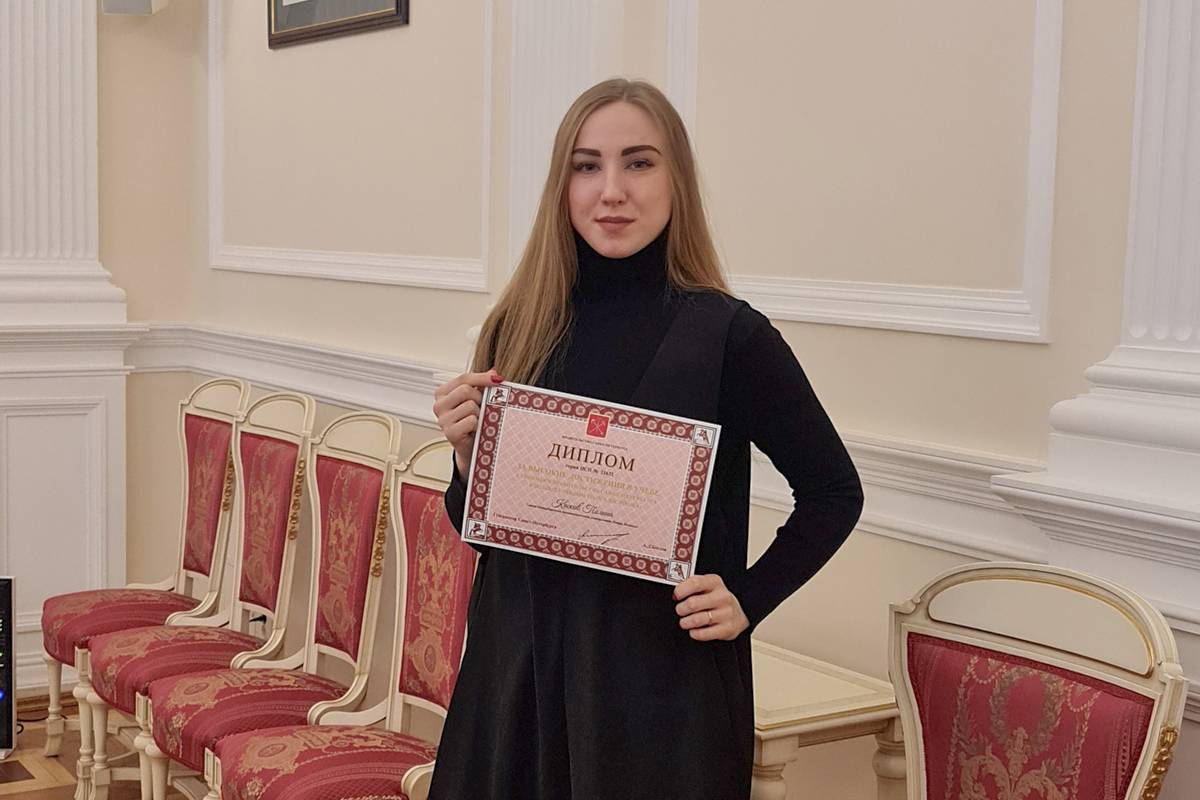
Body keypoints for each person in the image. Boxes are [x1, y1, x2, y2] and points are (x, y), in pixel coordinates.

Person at [429, 78, 864, 800]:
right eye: (586, 165)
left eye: (638, 162)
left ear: (676, 180)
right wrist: (467, 458)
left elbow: (833, 492)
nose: (612, 191)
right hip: (519, 673)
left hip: (656, 690)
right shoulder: (520, 324)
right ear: (561, 185)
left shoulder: (729, 335)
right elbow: (483, 536)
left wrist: (749, 598)